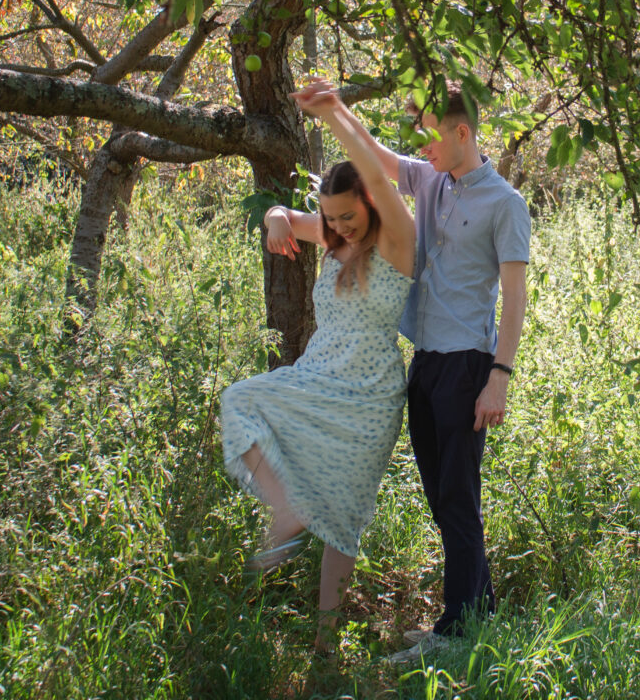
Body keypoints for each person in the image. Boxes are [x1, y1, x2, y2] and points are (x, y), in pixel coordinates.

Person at [268, 80, 531, 662]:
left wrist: (499, 375)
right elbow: (375, 161)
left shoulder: (505, 205)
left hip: (467, 364)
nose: (423, 146)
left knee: (458, 498)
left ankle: (457, 634)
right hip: (425, 363)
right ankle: (474, 613)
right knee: (442, 496)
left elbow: (514, 295)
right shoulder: (433, 177)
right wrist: (335, 111)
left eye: (431, 134)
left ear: (462, 132)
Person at [219, 93, 415, 654]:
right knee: (240, 400)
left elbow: (377, 175)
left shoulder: (398, 241)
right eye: (330, 218)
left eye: (348, 216)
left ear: (373, 204)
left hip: (369, 395)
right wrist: (278, 216)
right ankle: (285, 509)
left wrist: (331, 112)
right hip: (316, 376)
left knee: (343, 516)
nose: (338, 227)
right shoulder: (331, 234)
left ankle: (326, 649)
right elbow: (280, 217)